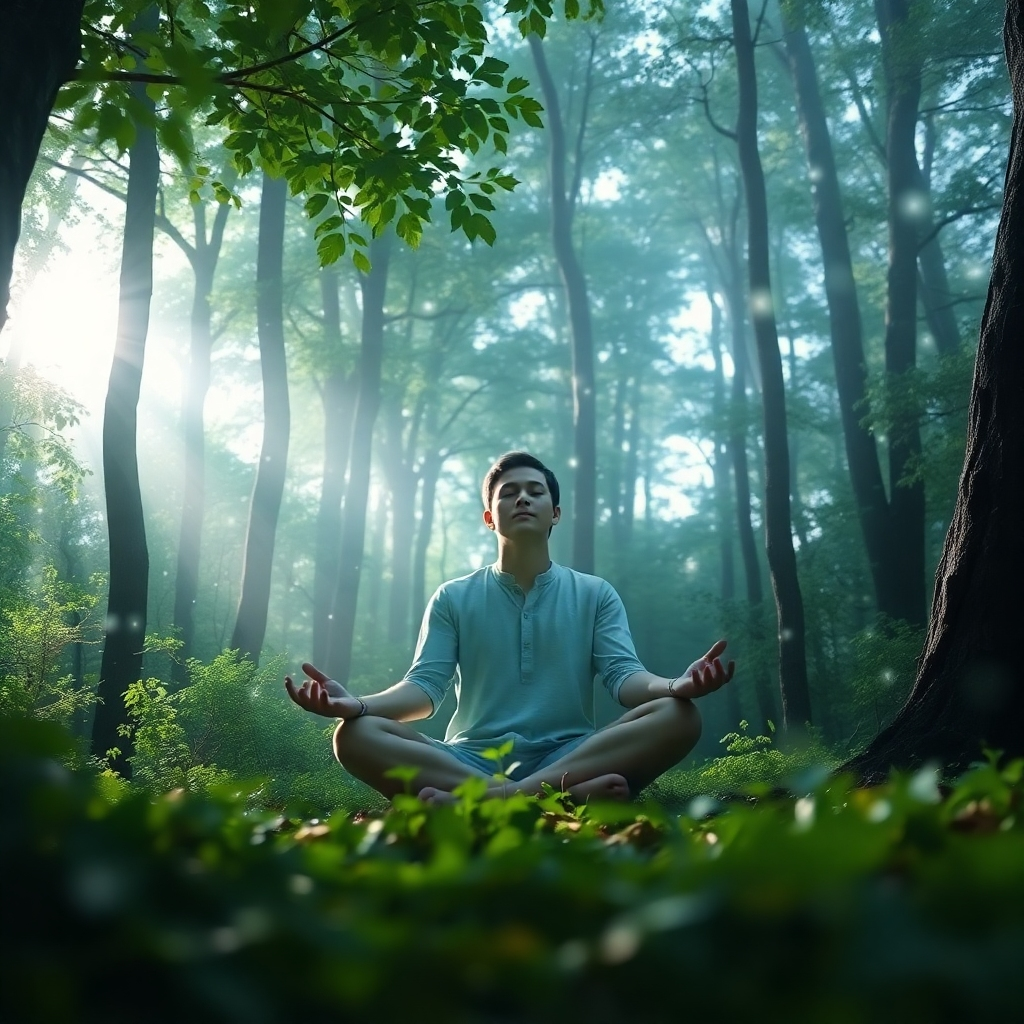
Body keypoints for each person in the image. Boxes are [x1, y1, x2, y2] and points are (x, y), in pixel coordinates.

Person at [285, 451, 735, 803]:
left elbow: (624, 679)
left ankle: (492, 802)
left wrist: (677, 685)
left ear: (555, 513)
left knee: (679, 715)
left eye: (535, 491)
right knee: (354, 734)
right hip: (467, 760)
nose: (522, 498)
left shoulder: (595, 593)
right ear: (489, 516)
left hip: (570, 755)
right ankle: (558, 799)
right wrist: (357, 704)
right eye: (508, 492)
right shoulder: (453, 596)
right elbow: (423, 693)